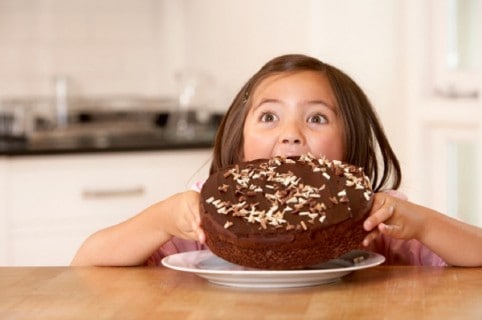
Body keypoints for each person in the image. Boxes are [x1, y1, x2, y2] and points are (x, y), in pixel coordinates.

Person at [71, 54, 482, 267]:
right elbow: (87, 261)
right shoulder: (205, 217)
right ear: (239, 138)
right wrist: (161, 219)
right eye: (269, 116)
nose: (290, 133)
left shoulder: (378, 216)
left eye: (316, 118)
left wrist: (422, 224)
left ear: (351, 139)